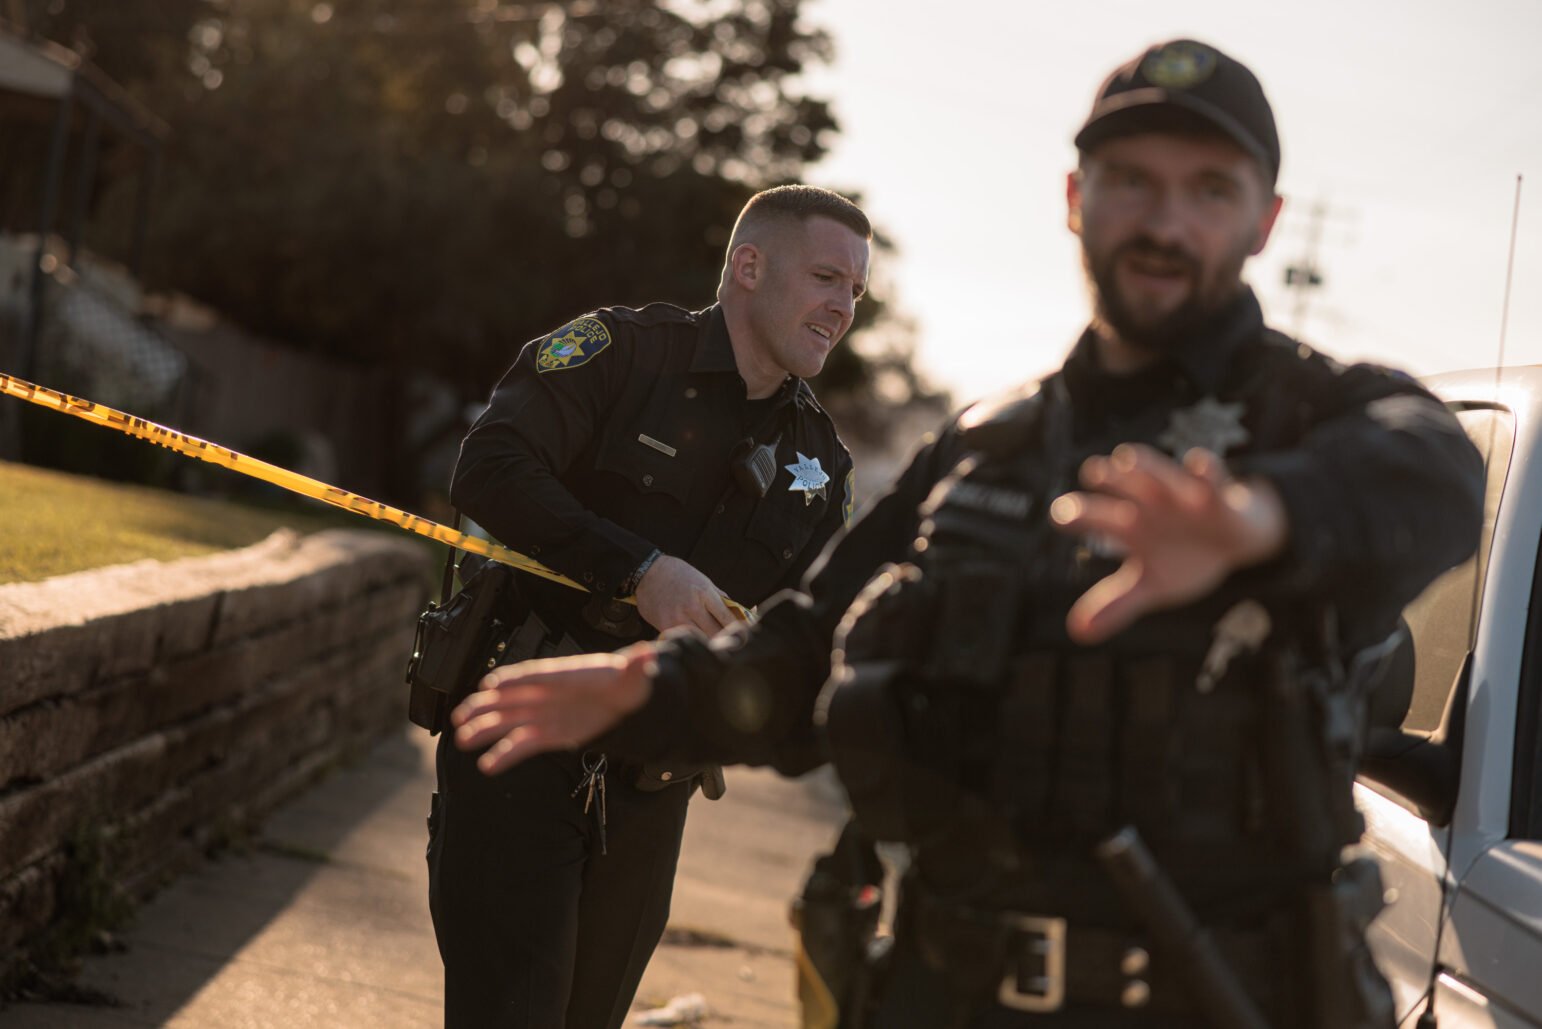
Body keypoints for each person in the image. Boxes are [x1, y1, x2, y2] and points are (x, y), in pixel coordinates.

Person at [452, 40, 1486, 1028]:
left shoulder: (1321, 421)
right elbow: (812, 642)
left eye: (1210, 188)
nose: (1165, 221)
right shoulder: (992, 444)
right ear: (1076, 202)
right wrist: (658, 691)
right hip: (957, 995)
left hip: (1215, 998)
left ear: (1265, 220)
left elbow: (1436, 472)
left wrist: (1264, 518)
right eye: (1132, 180)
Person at [428, 184, 869, 1028]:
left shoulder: (823, 465)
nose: (841, 306)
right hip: (524, 730)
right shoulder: (622, 353)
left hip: (654, 782)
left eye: (855, 289)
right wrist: (639, 569)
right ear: (749, 266)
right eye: (825, 276)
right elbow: (490, 465)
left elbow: (814, 632)